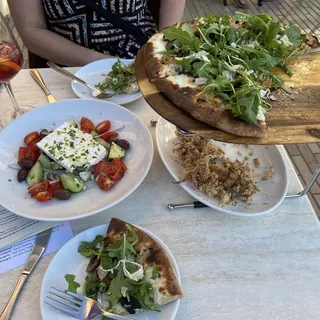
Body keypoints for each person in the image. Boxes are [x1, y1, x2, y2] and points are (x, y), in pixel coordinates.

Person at [8, 0, 186, 67]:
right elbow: (31, 30)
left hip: (143, 58)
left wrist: (165, 44)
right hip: (67, 66)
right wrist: (106, 64)